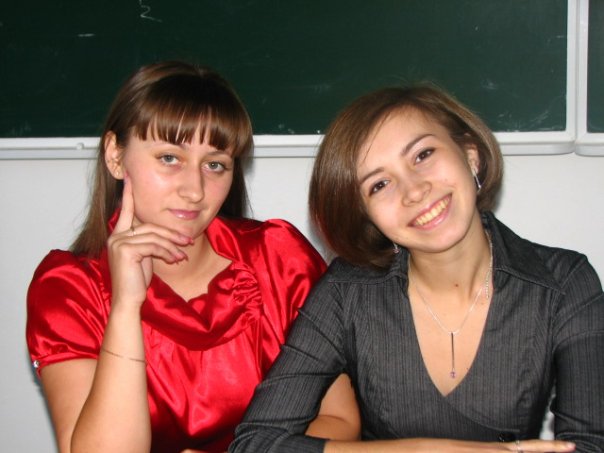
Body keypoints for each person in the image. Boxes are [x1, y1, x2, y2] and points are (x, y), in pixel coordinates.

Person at [230, 84, 604, 452]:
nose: (413, 191)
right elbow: (256, 442)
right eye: (379, 184)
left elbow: (591, 444)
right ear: (366, 216)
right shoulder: (347, 292)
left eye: (423, 155)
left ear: (470, 156)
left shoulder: (563, 282)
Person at [25, 61, 359, 453]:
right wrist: (126, 307)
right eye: (169, 158)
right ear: (115, 156)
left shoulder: (279, 259)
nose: (195, 190)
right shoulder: (68, 288)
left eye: (215, 165)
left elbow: (340, 421)